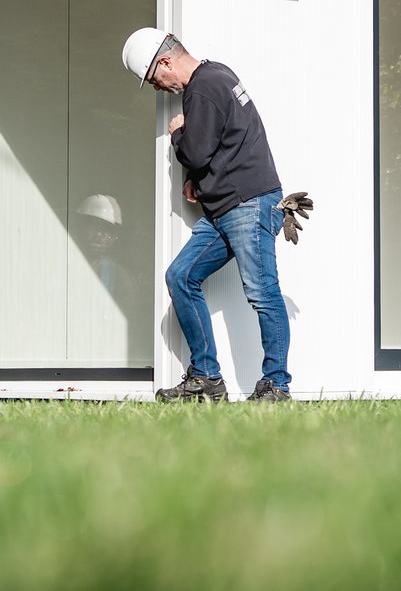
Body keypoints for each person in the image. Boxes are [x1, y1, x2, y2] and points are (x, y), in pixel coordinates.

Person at [121, 28, 292, 403]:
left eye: (153, 79)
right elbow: (220, 143)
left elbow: (196, 150)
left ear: (165, 61)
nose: (157, 87)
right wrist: (196, 180)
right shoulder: (219, 75)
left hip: (248, 204)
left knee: (263, 292)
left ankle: (276, 386)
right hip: (225, 208)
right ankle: (206, 379)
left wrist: (178, 134)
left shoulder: (202, 87)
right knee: (181, 276)